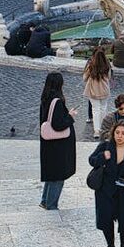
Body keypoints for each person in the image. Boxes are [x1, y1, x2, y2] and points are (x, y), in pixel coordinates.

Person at [89, 121, 124, 247]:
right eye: (117, 133)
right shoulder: (105, 147)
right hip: (105, 190)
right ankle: (110, 244)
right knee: (106, 218)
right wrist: (103, 156)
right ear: (113, 133)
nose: (119, 136)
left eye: (123, 133)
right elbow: (92, 160)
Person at [38, 73, 76, 211]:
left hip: (49, 145)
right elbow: (58, 124)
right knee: (58, 176)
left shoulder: (45, 98)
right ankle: (51, 204)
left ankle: (45, 200)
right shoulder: (57, 101)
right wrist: (70, 116)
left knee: (51, 174)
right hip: (57, 146)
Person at [83, 47, 112, 140]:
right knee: (103, 109)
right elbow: (109, 77)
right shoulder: (107, 66)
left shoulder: (91, 65)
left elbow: (84, 78)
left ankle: (97, 131)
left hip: (93, 90)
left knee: (95, 110)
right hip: (104, 90)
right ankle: (104, 129)